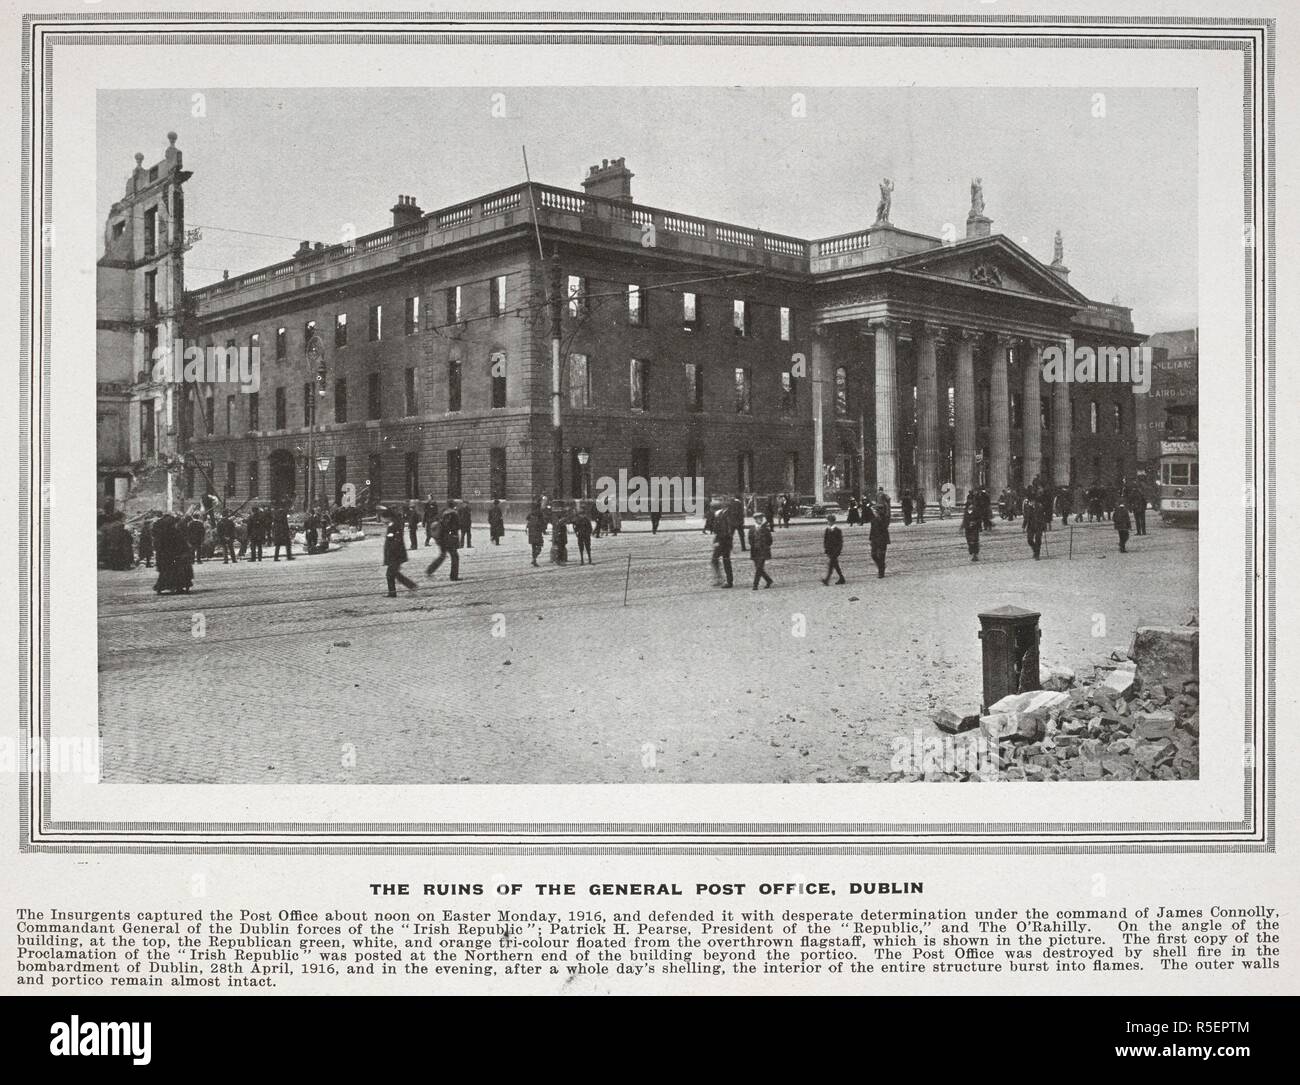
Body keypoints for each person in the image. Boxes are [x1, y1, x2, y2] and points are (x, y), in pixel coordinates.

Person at [152, 513, 194, 594]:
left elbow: (158, 545)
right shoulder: (174, 532)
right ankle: (178, 587)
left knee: (165, 572)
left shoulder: (161, 533)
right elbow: (181, 543)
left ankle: (161, 587)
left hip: (164, 556)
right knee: (178, 571)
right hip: (175, 555)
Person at [383, 509, 418, 596]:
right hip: (395, 555)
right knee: (394, 574)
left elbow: (395, 542)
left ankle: (393, 593)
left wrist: (391, 554)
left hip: (395, 555)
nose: (382, 521)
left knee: (390, 574)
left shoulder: (393, 526)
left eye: (383, 518)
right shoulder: (393, 525)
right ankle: (410, 586)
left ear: (388, 518)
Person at [428, 503, 461, 580]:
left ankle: (430, 570)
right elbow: (455, 527)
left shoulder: (443, 512)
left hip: (441, 539)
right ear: (454, 506)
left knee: (442, 556)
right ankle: (454, 576)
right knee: (455, 557)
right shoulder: (453, 514)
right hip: (449, 539)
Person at [748, 514, 773, 589]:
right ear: (755, 519)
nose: (761, 520)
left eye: (761, 518)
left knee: (759, 567)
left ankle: (755, 584)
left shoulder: (766, 529)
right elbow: (750, 540)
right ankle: (768, 580)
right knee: (759, 568)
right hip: (755, 551)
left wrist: (765, 546)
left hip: (763, 551)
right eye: (759, 518)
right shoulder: (752, 529)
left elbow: (770, 540)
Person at [868, 500, 890, 578]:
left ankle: (881, 572)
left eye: (874, 511)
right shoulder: (873, 519)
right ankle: (881, 566)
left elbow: (884, 527)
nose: (873, 512)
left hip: (882, 540)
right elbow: (872, 530)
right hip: (874, 540)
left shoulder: (884, 518)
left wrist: (879, 518)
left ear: (878, 511)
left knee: (882, 556)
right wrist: (870, 539)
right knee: (873, 555)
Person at [821, 514, 845, 585]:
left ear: (832, 522)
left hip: (835, 551)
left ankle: (827, 580)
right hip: (830, 551)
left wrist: (838, 551)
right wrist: (826, 549)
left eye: (829, 521)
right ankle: (842, 578)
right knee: (835, 565)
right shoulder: (827, 530)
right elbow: (825, 540)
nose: (828, 522)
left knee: (831, 565)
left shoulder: (838, 530)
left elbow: (840, 542)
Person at [710, 519, 734, 588]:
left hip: (723, 543)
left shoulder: (726, 514)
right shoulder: (720, 514)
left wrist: (719, 542)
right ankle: (719, 578)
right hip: (720, 541)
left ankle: (721, 579)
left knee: (724, 561)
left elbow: (727, 532)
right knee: (715, 560)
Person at [1022, 494, 1044, 560]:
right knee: (1029, 540)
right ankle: (1035, 549)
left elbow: (1043, 518)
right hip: (1031, 526)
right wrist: (1023, 526)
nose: (1030, 503)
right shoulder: (1028, 508)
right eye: (1030, 502)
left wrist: (1044, 526)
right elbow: (1026, 518)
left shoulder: (1040, 507)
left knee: (1038, 540)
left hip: (1039, 526)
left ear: (1034, 501)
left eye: (1032, 501)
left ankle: (1037, 555)